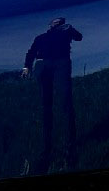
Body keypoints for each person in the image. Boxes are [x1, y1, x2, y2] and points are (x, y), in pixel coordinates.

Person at [24, 16, 83, 170]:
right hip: (43, 65)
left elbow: (79, 37)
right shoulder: (41, 38)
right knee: (46, 107)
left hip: (61, 63)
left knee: (66, 104)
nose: (57, 23)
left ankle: (70, 149)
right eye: (54, 22)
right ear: (50, 25)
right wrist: (27, 66)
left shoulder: (66, 32)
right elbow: (31, 52)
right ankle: (46, 151)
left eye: (60, 22)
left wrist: (70, 29)